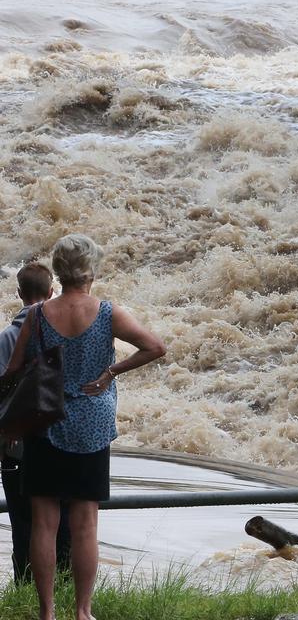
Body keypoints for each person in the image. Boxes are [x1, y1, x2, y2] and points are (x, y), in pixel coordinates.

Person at [3, 234, 166, 620]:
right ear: (91, 270)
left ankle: (47, 612)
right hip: (91, 425)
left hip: (46, 422)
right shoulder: (109, 313)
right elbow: (155, 347)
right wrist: (111, 371)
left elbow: (12, 372)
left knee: (44, 523)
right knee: (85, 524)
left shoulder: (39, 316)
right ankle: (82, 611)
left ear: (58, 272)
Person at [0, 263, 71, 582]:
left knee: (23, 521)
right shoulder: (67, 332)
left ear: (18, 294)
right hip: (62, 439)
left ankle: (25, 585)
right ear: (51, 291)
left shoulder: (5, 338)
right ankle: (67, 585)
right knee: (65, 517)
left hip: (16, 443)